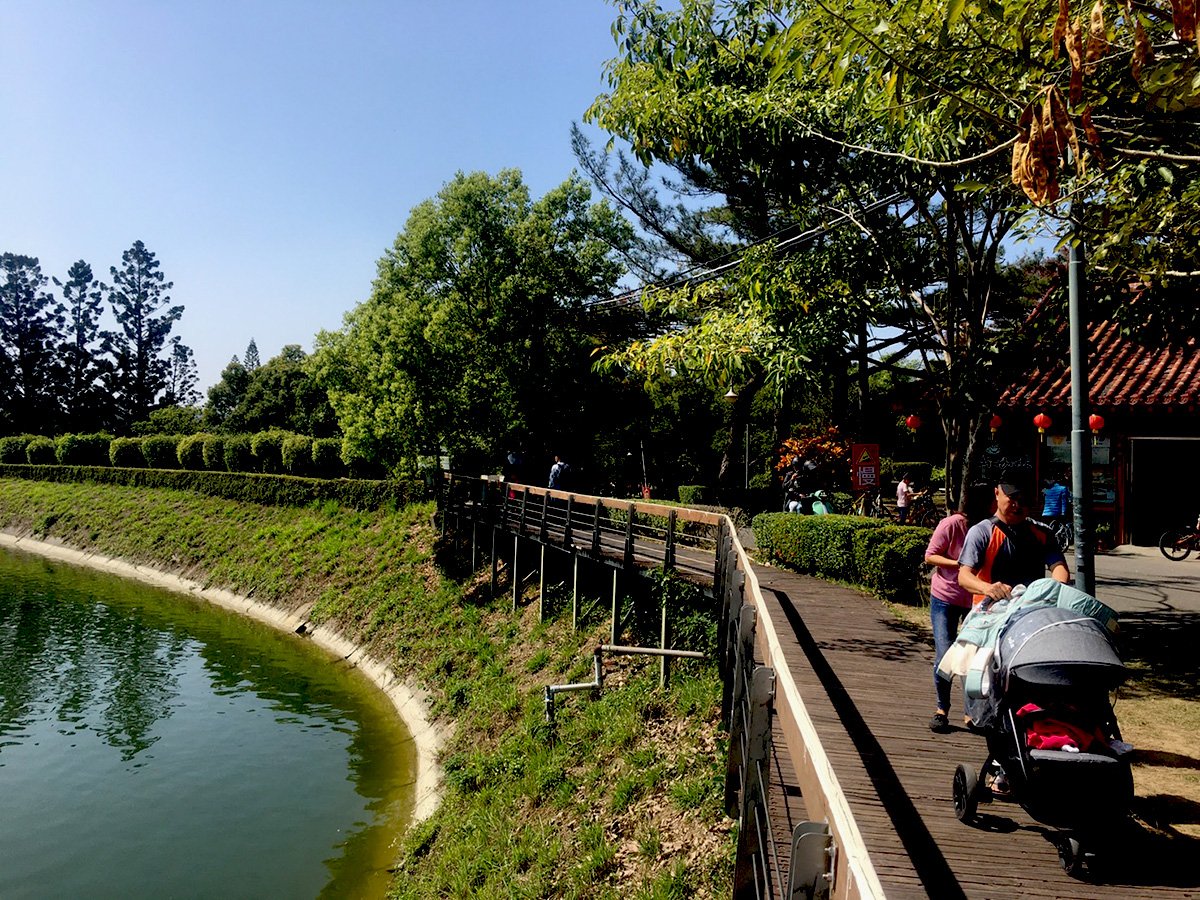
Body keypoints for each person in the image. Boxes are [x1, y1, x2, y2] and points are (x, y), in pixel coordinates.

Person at [925, 483, 995, 733]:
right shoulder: (953, 524)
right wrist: (960, 563)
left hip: (976, 601)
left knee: (973, 658)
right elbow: (930, 555)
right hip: (945, 597)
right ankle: (942, 709)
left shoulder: (991, 528)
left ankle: (970, 713)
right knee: (945, 654)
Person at [957, 479, 1071, 607]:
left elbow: (1058, 566)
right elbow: (964, 576)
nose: (1017, 505)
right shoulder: (982, 532)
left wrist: (1057, 586)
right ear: (996, 493)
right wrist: (987, 588)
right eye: (1012, 497)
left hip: (1030, 610)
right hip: (989, 613)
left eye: (1024, 499)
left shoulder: (1043, 533)